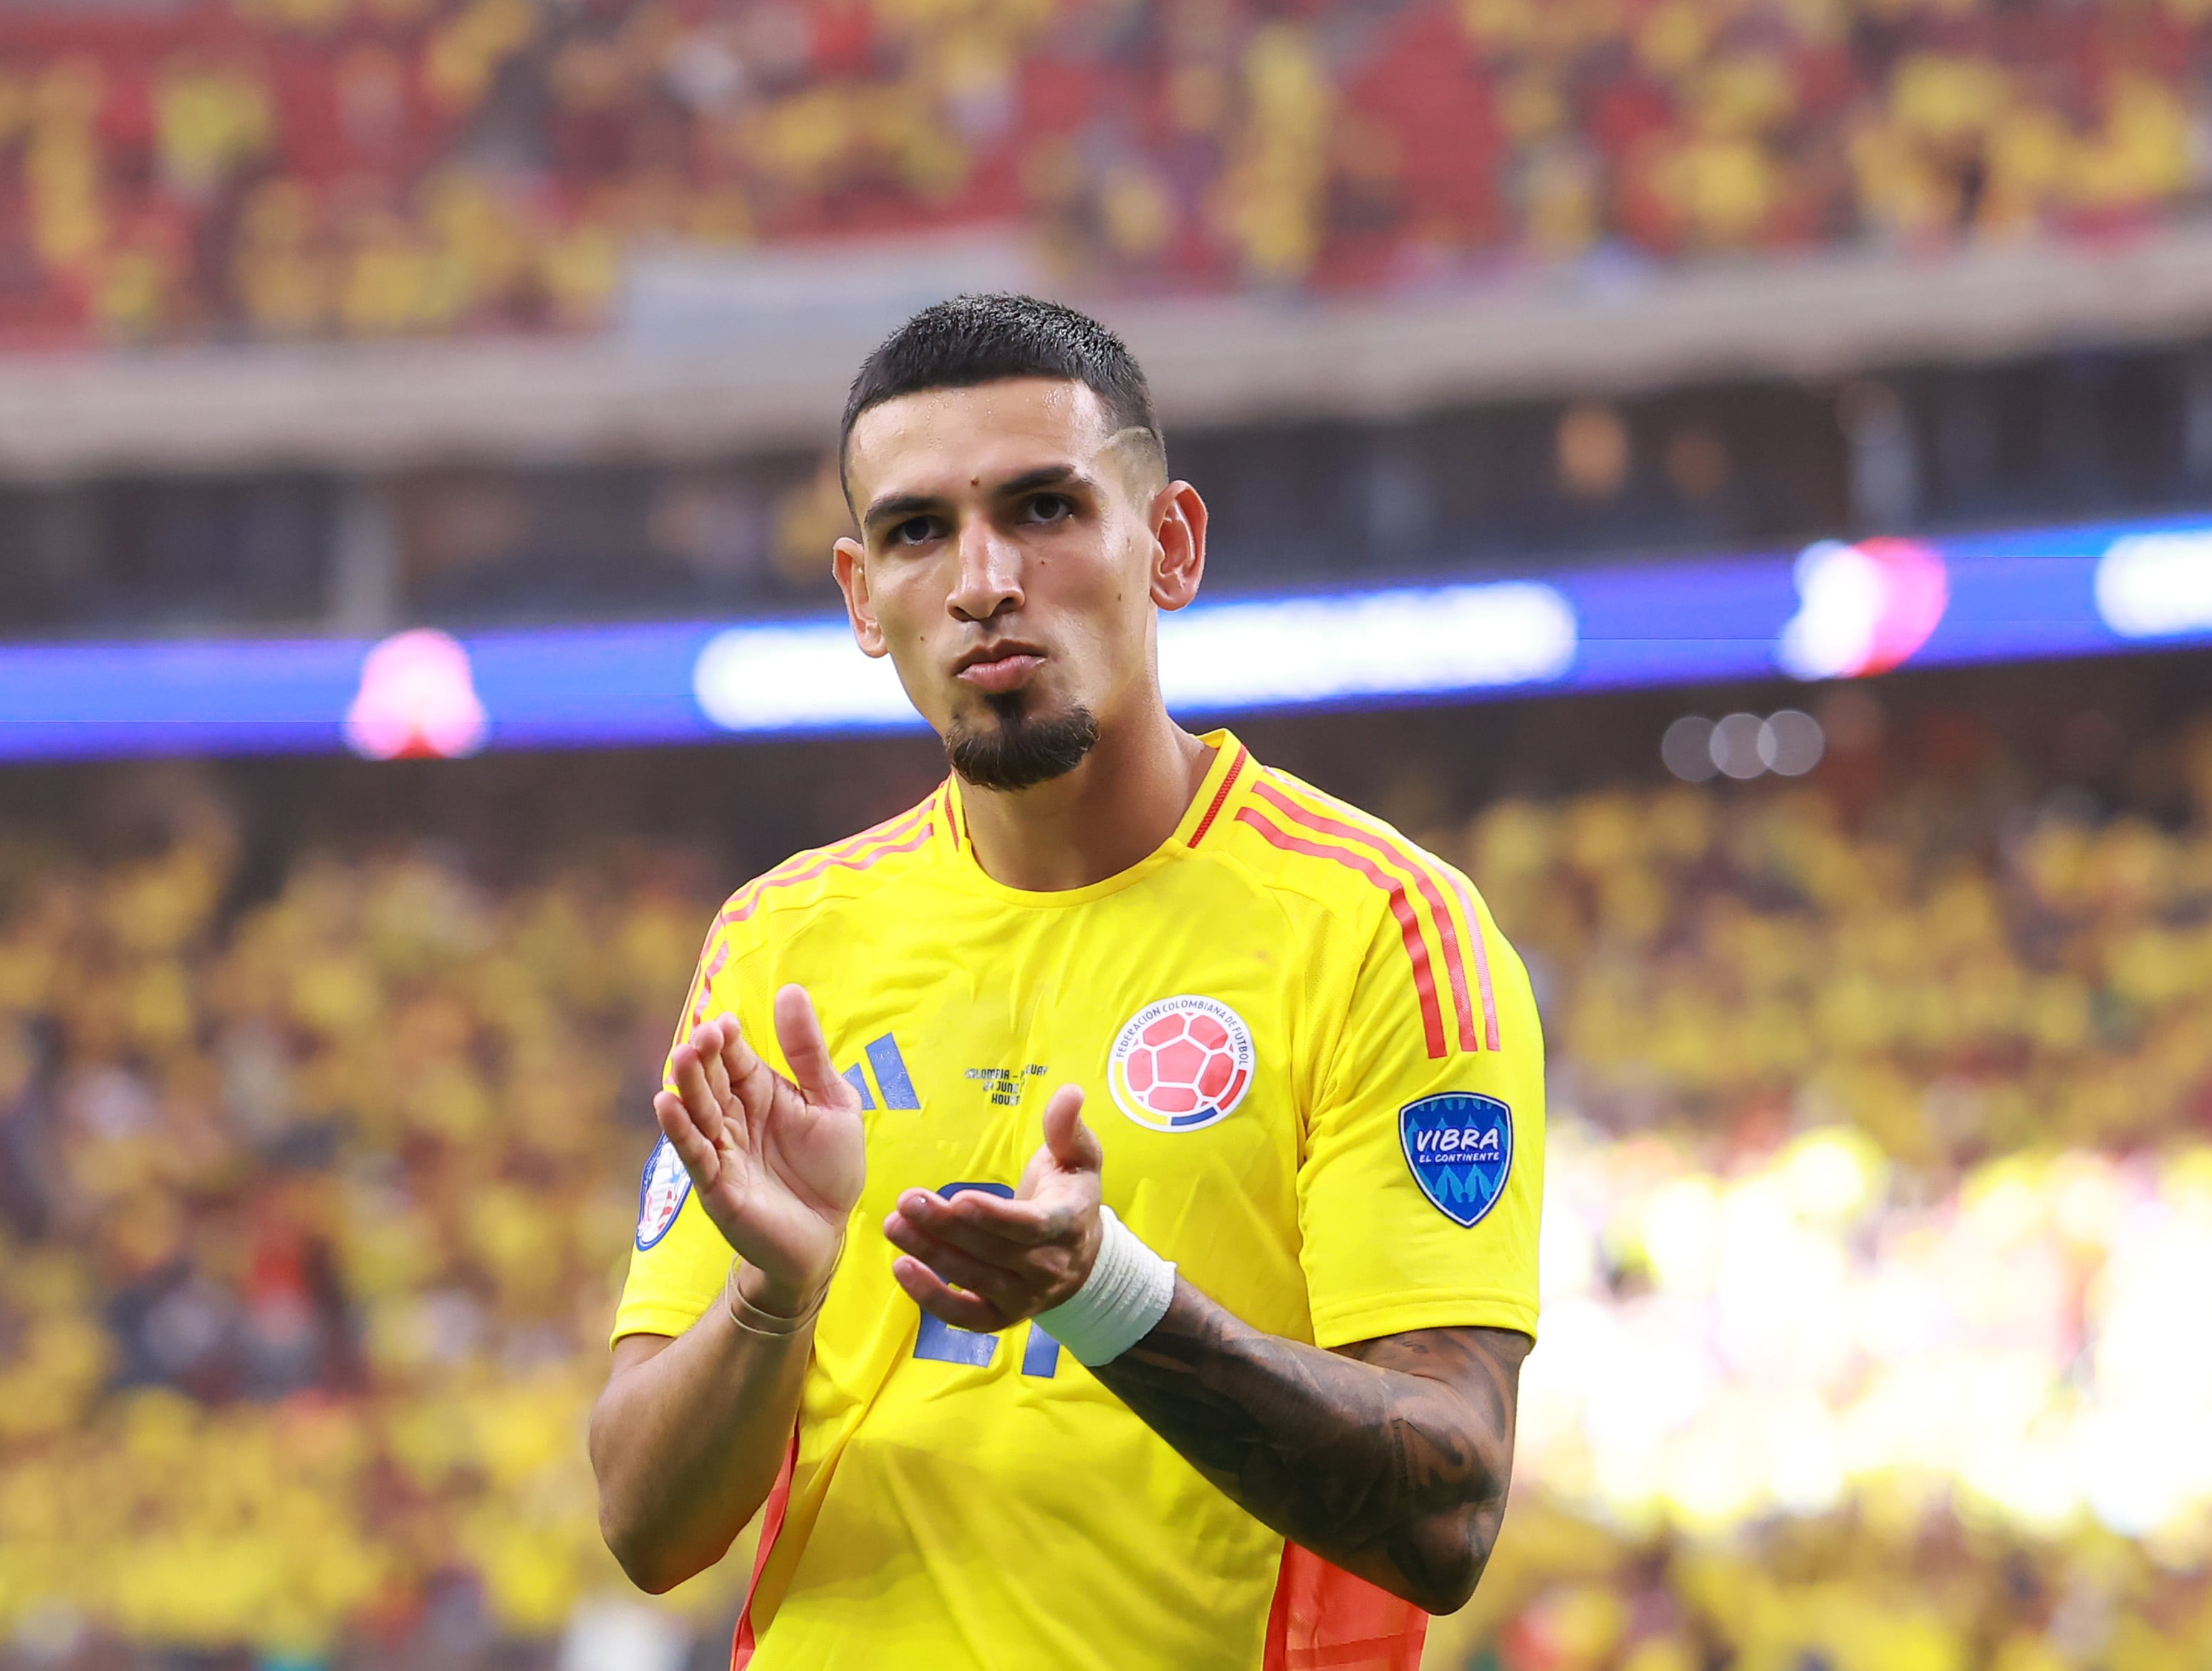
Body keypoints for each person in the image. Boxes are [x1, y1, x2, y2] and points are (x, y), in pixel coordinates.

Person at [589, 294, 1543, 1669]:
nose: (984, 578)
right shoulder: (778, 942)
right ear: (864, 597)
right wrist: (773, 1297)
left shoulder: (1383, 928)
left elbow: (1449, 1506)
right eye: (920, 530)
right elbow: (644, 1525)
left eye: (1043, 508)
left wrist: (1109, 1295)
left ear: (1169, 546)